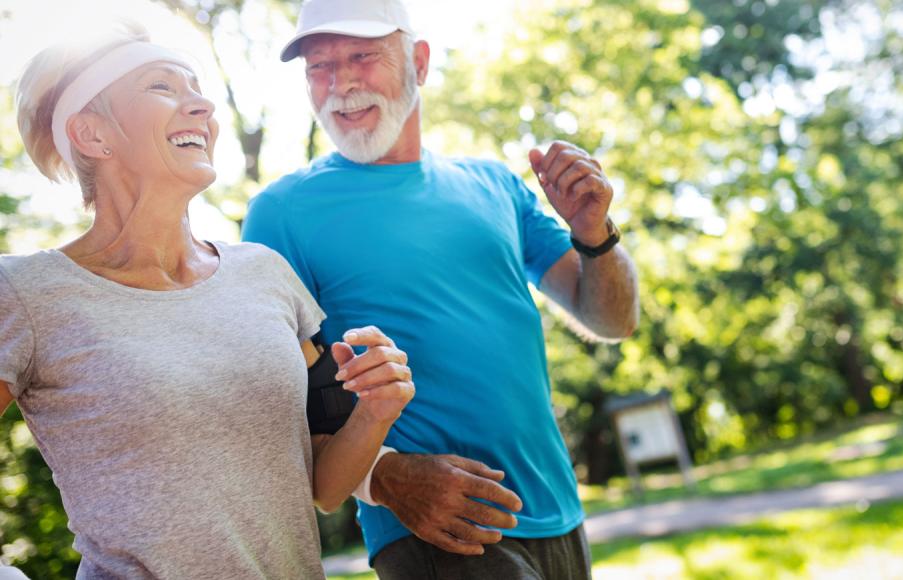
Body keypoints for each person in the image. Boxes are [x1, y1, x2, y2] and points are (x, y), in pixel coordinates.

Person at [241, 0, 640, 577]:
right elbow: (279, 408)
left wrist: (594, 236)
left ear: (419, 63)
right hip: (434, 526)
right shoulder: (281, 213)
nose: (341, 83)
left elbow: (612, 320)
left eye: (362, 56)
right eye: (319, 67)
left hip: (558, 510)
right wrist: (387, 478)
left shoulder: (496, 185)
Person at [0, 22, 414, 579]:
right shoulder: (26, 294)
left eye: (196, 87)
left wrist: (374, 413)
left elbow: (323, 485)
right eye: (162, 87)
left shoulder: (265, 274)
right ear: (92, 133)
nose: (201, 105)